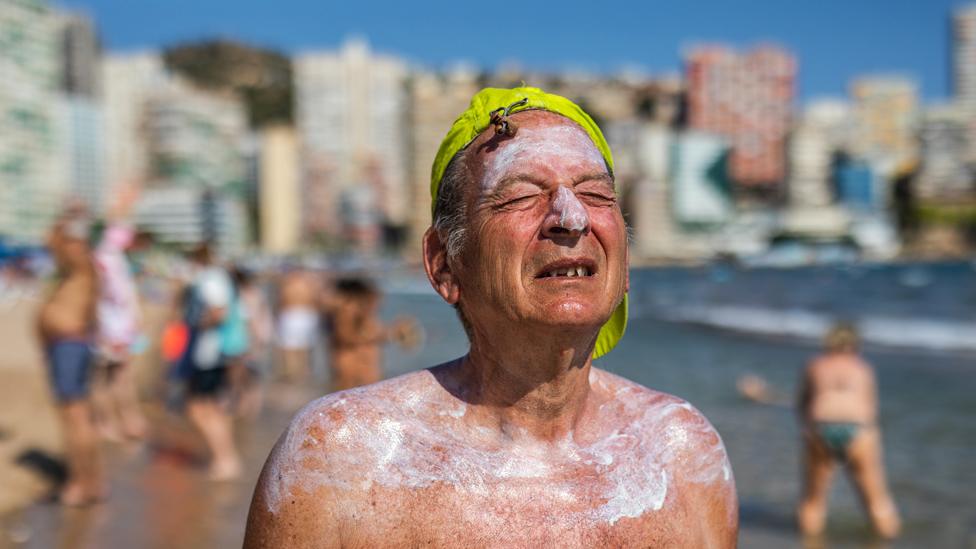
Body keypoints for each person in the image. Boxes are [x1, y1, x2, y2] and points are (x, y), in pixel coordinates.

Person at [244, 87, 737, 547]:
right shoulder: (342, 460)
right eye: (522, 195)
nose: (572, 216)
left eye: (597, 194)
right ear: (444, 264)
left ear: (624, 261)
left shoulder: (681, 453)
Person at [797, 323, 901, 539]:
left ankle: (810, 543)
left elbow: (803, 404)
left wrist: (808, 432)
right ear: (855, 344)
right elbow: (872, 409)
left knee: (813, 500)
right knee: (877, 500)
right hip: (859, 430)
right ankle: (888, 540)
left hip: (820, 427)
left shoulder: (815, 365)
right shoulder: (863, 368)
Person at [36, 212, 102, 505]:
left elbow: (55, 244)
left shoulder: (84, 265)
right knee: (76, 416)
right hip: (67, 347)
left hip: (69, 347)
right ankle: (90, 482)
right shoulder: (78, 272)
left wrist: (62, 221)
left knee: (75, 418)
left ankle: (80, 483)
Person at [179, 244, 242, 480]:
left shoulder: (209, 278)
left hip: (209, 353)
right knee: (213, 407)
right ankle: (224, 458)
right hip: (217, 352)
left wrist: (197, 325)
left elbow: (218, 311)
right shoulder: (221, 276)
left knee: (198, 409)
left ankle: (225, 458)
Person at [90, 185, 148, 442]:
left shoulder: (114, 259)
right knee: (107, 377)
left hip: (119, 326)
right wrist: (122, 202)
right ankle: (109, 422)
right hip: (108, 326)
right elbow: (110, 297)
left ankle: (127, 420)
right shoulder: (105, 258)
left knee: (118, 376)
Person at [326, 276, 418, 392]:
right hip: (352, 365)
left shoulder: (365, 314)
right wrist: (387, 335)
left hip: (364, 366)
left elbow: (366, 333)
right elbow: (345, 337)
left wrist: (393, 332)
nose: (377, 302)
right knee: (347, 397)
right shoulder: (347, 310)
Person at [274, 267, 320, 383]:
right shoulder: (309, 283)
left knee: (290, 347)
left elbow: (280, 300)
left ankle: (292, 373)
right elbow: (316, 299)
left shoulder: (287, 283)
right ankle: (302, 372)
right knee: (303, 347)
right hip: (306, 314)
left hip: (292, 314)